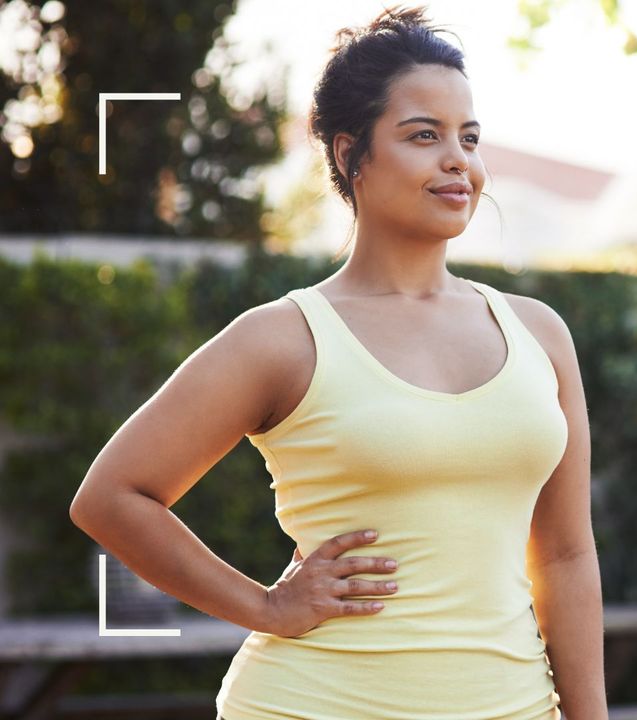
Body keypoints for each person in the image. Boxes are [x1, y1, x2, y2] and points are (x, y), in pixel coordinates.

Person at [68, 5, 607, 719]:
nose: (460, 161)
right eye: (424, 135)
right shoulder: (283, 339)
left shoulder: (540, 334)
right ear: (352, 154)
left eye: (469, 138)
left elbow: (565, 556)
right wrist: (266, 605)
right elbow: (112, 498)